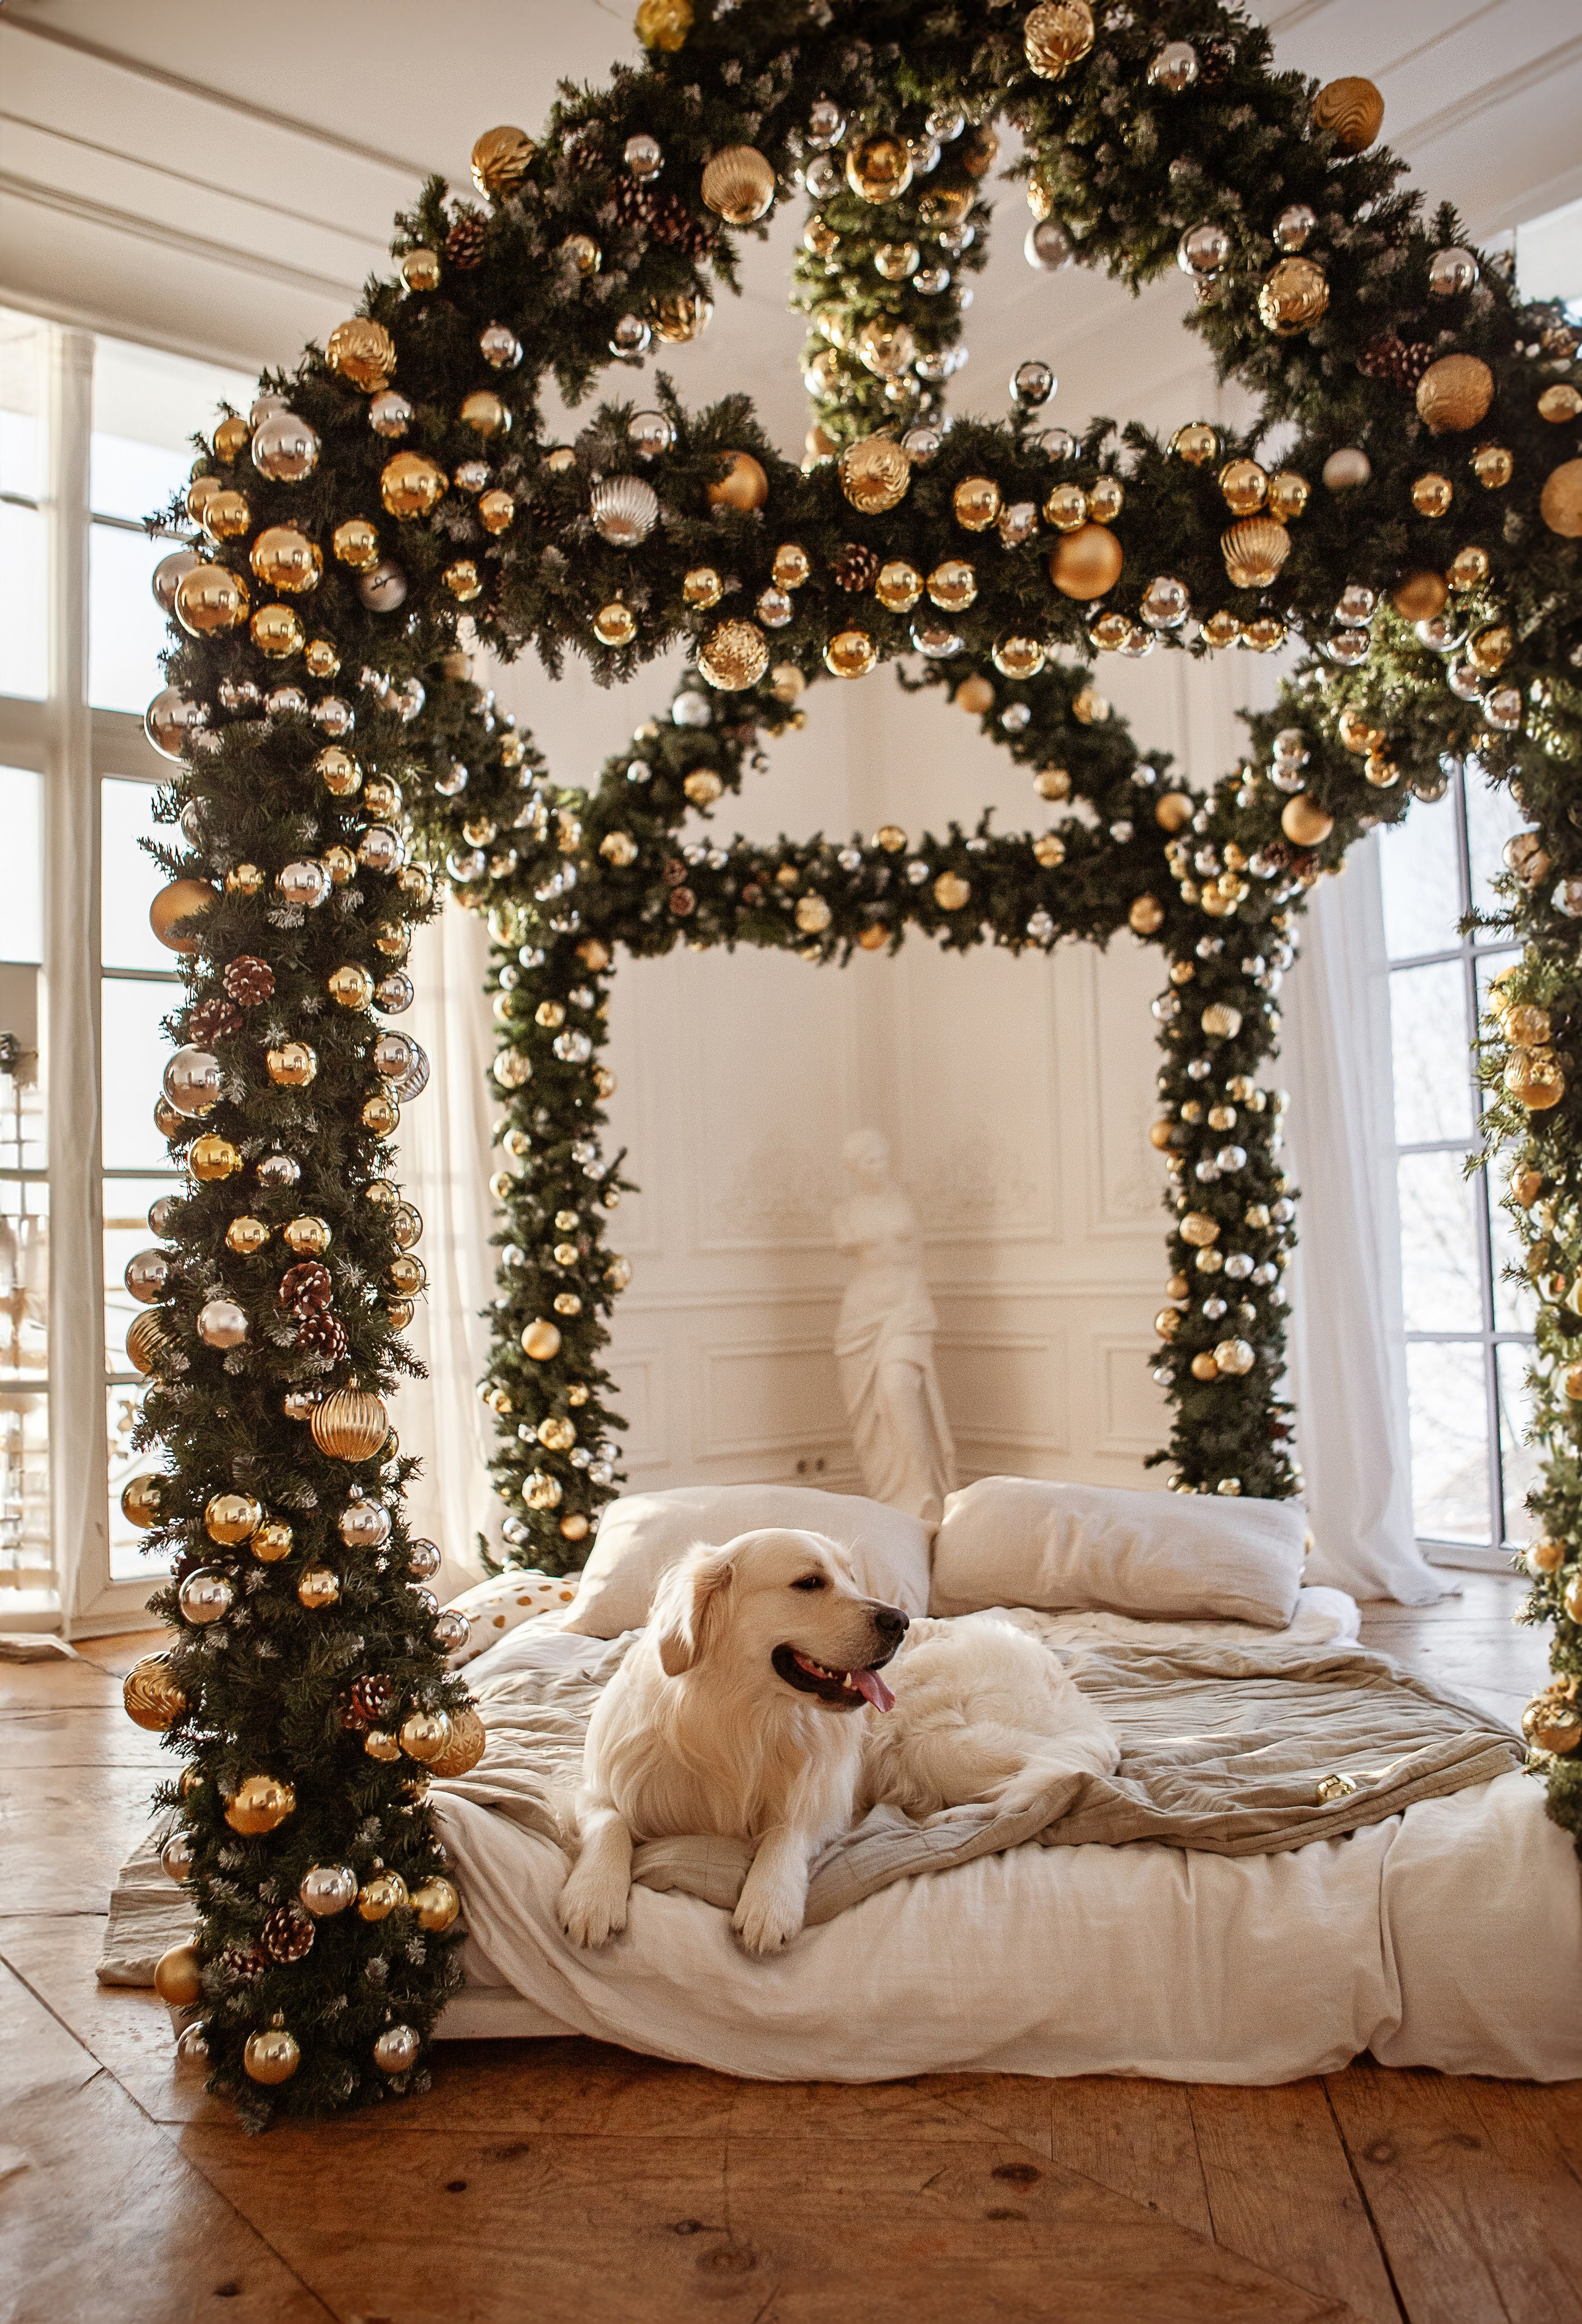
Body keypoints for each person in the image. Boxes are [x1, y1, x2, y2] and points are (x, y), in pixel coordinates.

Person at [832, 1128, 956, 1523]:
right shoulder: (845, 1213)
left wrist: (913, 1303)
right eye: (865, 1161)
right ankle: (889, 1497)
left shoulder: (908, 1204)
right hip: (863, 1310)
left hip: (907, 1301)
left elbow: (919, 1259)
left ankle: (923, 1490)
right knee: (873, 1413)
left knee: (899, 1386)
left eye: (879, 1158)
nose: (875, 1167)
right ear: (854, 1169)